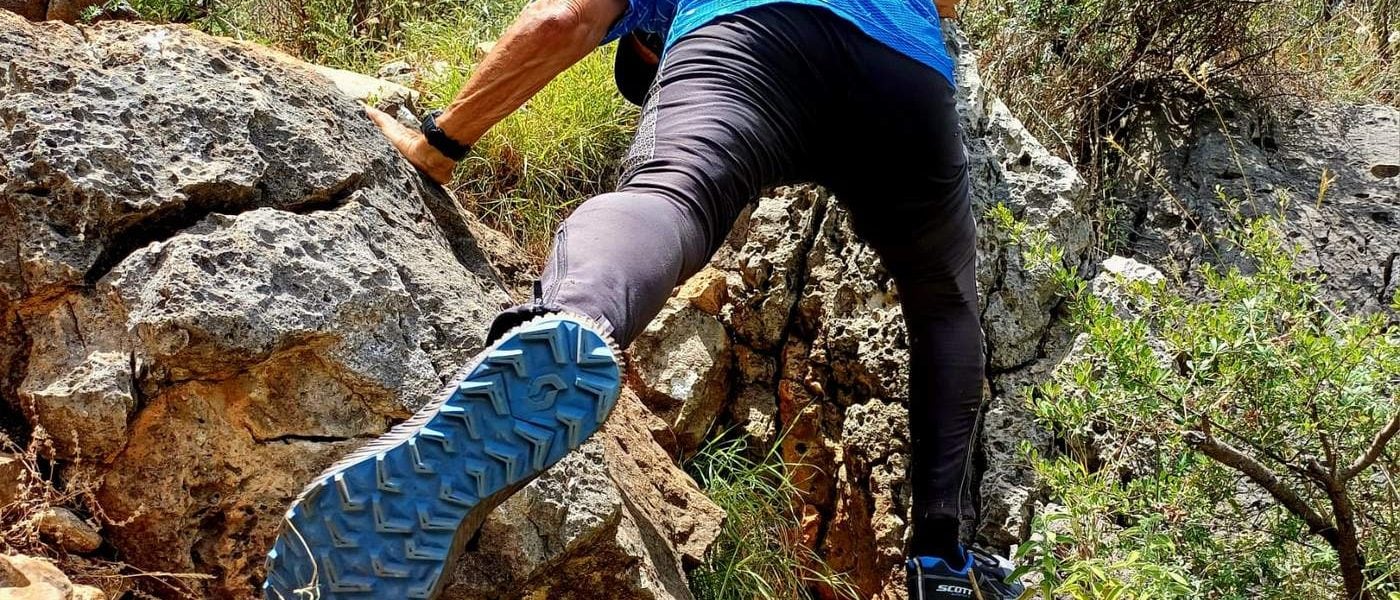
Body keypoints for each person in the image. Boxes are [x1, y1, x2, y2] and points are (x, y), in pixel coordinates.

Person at [261, 0, 1027, 597]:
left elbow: (565, 18)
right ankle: (941, 561)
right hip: (904, 71)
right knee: (944, 304)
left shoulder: (665, 29)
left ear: (650, 50)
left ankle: (572, 324)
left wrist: (437, 143)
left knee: (671, 197)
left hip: (749, 36)